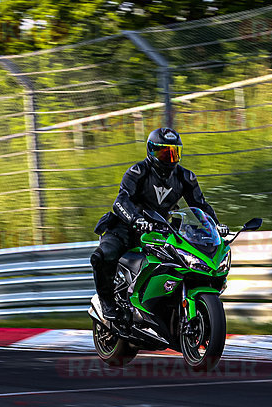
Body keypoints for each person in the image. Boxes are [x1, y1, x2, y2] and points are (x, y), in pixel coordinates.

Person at [90, 127, 228, 321]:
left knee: (182, 260)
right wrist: (135, 219)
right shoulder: (138, 172)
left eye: (174, 152)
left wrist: (215, 225)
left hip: (161, 228)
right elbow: (121, 201)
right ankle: (107, 304)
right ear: (151, 151)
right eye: (164, 152)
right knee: (102, 256)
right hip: (126, 227)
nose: (169, 158)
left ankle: (165, 308)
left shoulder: (185, 177)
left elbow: (200, 205)